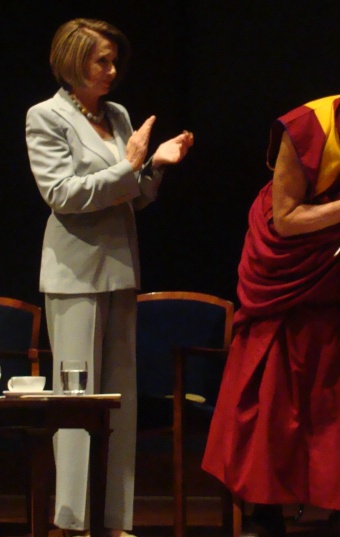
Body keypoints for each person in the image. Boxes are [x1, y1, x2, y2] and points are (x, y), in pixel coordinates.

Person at [202, 73, 340, 537]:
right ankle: (264, 507)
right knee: (273, 394)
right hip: (289, 272)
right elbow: (286, 219)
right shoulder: (306, 128)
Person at [25, 18, 194, 537]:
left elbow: (134, 196)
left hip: (120, 269)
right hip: (73, 272)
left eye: (114, 60)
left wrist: (155, 167)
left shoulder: (117, 115)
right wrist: (128, 168)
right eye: (102, 60)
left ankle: (116, 519)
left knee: (119, 398)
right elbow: (63, 196)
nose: (112, 70)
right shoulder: (46, 116)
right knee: (76, 401)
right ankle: (73, 521)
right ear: (75, 60)